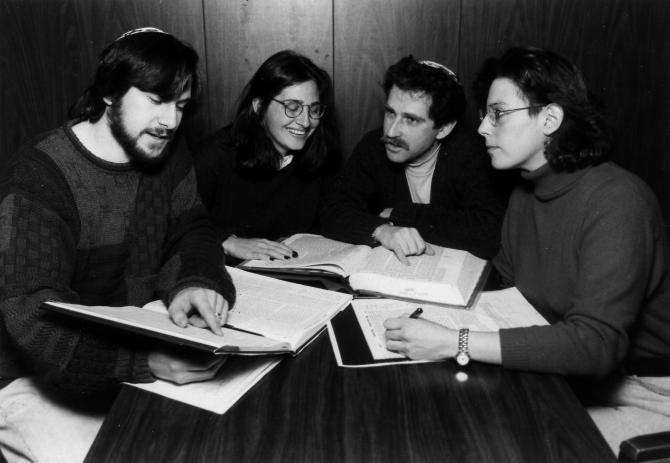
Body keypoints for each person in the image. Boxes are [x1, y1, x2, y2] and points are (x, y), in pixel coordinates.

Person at [384, 46, 670, 452]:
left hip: (646, 389)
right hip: (566, 372)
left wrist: (455, 341)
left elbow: (595, 344)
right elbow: (507, 292)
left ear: (550, 118)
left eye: (497, 113)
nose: (483, 127)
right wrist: (429, 283)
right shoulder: (526, 190)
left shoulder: (618, 200)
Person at [0, 27, 235, 462]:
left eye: (181, 106)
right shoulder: (40, 176)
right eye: (157, 100)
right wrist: (143, 364)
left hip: (125, 346)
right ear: (110, 92)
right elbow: (30, 315)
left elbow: (192, 230)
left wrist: (194, 282)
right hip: (27, 373)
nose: (170, 121)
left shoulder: (167, 150)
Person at [319, 56, 506, 264]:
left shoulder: (472, 153)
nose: (391, 131)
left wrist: (402, 214)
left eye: (411, 120)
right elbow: (331, 211)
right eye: (390, 113)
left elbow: (489, 232)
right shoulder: (373, 147)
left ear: (444, 128)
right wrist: (380, 230)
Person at [193, 50, 340, 264]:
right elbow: (175, 222)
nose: (306, 121)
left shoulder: (323, 156)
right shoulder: (214, 155)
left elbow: (336, 214)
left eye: (313, 109)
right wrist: (226, 241)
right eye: (293, 107)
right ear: (259, 106)